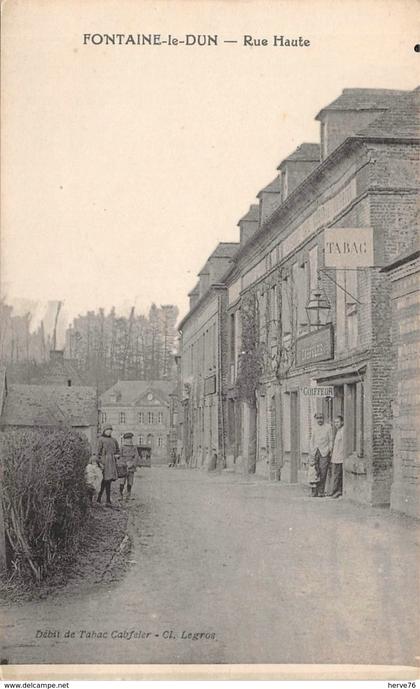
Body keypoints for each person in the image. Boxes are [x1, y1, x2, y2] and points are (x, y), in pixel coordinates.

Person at [309, 412, 333, 497]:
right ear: (316, 419)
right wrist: (312, 451)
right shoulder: (314, 427)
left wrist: (329, 450)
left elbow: (331, 440)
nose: (320, 420)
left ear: (324, 418)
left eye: (321, 418)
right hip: (315, 451)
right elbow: (312, 440)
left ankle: (321, 491)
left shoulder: (328, 427)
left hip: (324, 451)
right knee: (314, 471)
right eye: (318, 418)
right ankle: (314, 491)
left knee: (323, 471)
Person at [96, 424, 119, 507]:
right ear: (104, 431)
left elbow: (117, 450)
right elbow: (98, 452)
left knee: (108, 481)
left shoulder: (114, 440)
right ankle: (99, 498)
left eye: (110, 430)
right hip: (104, 462)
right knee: (103, 481)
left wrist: (117, 455)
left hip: (112, 462)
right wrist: (99, 463)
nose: (109, 431)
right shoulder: (101, 439)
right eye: (107, 430)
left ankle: (108, 500)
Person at [118, 432, 138, 500]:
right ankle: (120, 495)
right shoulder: (122, 447)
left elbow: (136, 457)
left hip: (131, 468)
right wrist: (124, 463)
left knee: (130, 482)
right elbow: (120, 457)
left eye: (130, 439)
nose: (129, 440)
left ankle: (128, 495)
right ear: (124, 440)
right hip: (123, 467)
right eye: (127, 439)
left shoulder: (134, 447)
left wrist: (132, 464)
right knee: (122, 482)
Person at [329, 415, 344, 498]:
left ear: (342, 422)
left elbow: (343, 446)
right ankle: (334, 490)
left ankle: (337, 491)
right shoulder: (338, 431)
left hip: (340, 457)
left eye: (338, 422)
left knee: (338, 474)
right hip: (336, 457)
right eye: (335, 422)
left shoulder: (343, 431)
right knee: (336, 474)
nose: (336, 424)